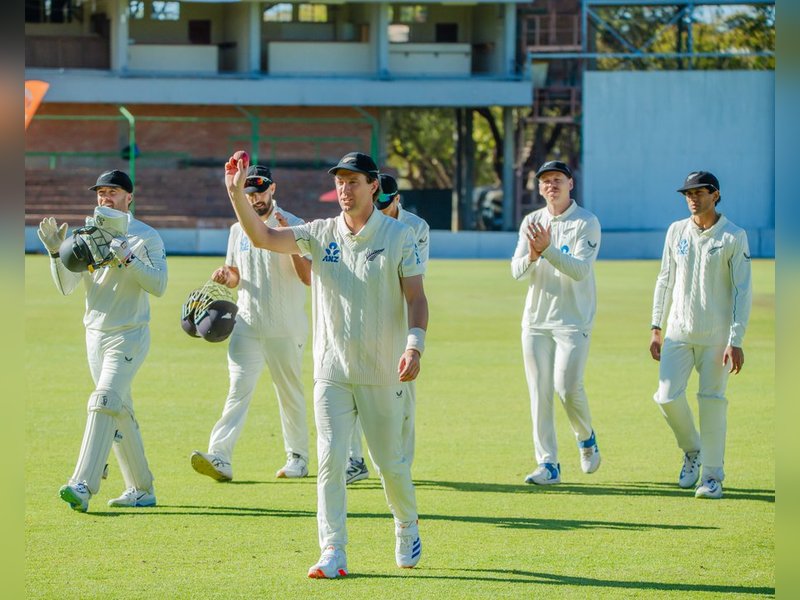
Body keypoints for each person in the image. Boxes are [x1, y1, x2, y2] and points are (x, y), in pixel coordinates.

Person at [224, 151, 428, 578]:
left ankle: (406, 524)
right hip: (331, 372)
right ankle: (333, 549)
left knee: (389, 465)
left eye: (353, 181)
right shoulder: (318, 232)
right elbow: (261, 237)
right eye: (339, 181)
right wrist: (234, 192)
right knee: (331, 462)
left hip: (381, 371)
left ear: (373, 185)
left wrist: (414, 345)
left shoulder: (398, 235)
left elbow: (416, 297)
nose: (344, 189)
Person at [37, 169, 168, 512]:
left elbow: (158, 285)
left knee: (103, 399)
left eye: (112, 192)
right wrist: (56, 254)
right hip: (94, 335)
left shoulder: (145, 237)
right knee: (118, 410)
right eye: (101, 193)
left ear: (129, 197)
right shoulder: (85, 235)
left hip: (129, 334)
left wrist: (128, 258)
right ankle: (142, 489)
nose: (105, 198)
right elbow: (67, 286)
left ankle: (82, 484)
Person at [191, 165, 312, 482]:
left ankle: (298, 457)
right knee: (237, 390)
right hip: (247, 324)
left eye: (260, 191)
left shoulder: (295, 224)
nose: (255, 198)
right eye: (249, 192)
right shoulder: (237, 230)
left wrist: (292, 239)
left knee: (289, 392)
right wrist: (225, 275)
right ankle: (220, 457)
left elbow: (307, 277)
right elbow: (235, 276)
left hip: (286, 325)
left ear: (273, 189)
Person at [649, 171, 752, 500]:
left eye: (699, 192)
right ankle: (692, 449)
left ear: (715, 195)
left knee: (712, 404)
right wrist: (656, 326)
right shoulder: (676, 231)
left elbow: (742, 292)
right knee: (665, 396)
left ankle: (711, 477)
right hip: (679, 332)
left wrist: (736, 340)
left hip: (717, 338)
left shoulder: (734, 236)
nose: (692, 198)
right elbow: (665, 279)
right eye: (687, 193)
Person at [511, 160, 602, 485]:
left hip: (573, 320)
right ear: (539, 187)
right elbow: (516, 271)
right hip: (535, 321)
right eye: (546, 181)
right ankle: (548, 463)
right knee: (540, 392)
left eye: (558, 180)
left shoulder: (586, 222)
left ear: (570, 184)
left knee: (567, 387)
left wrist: (547, 249)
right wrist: (534, 255)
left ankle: (586, 437)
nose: (552, 185)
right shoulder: (532, 221)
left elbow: (579, 270)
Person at [346, 173, 430, 485]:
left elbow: (412, 279)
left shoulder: (415, 228)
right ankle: (354, 460)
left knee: (401, 394)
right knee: (350, 387)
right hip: (359, 317)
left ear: (397, 199)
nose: (379, 209)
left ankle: (401, 463)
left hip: (395, 317)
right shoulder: (360, 221)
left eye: (385, 203)